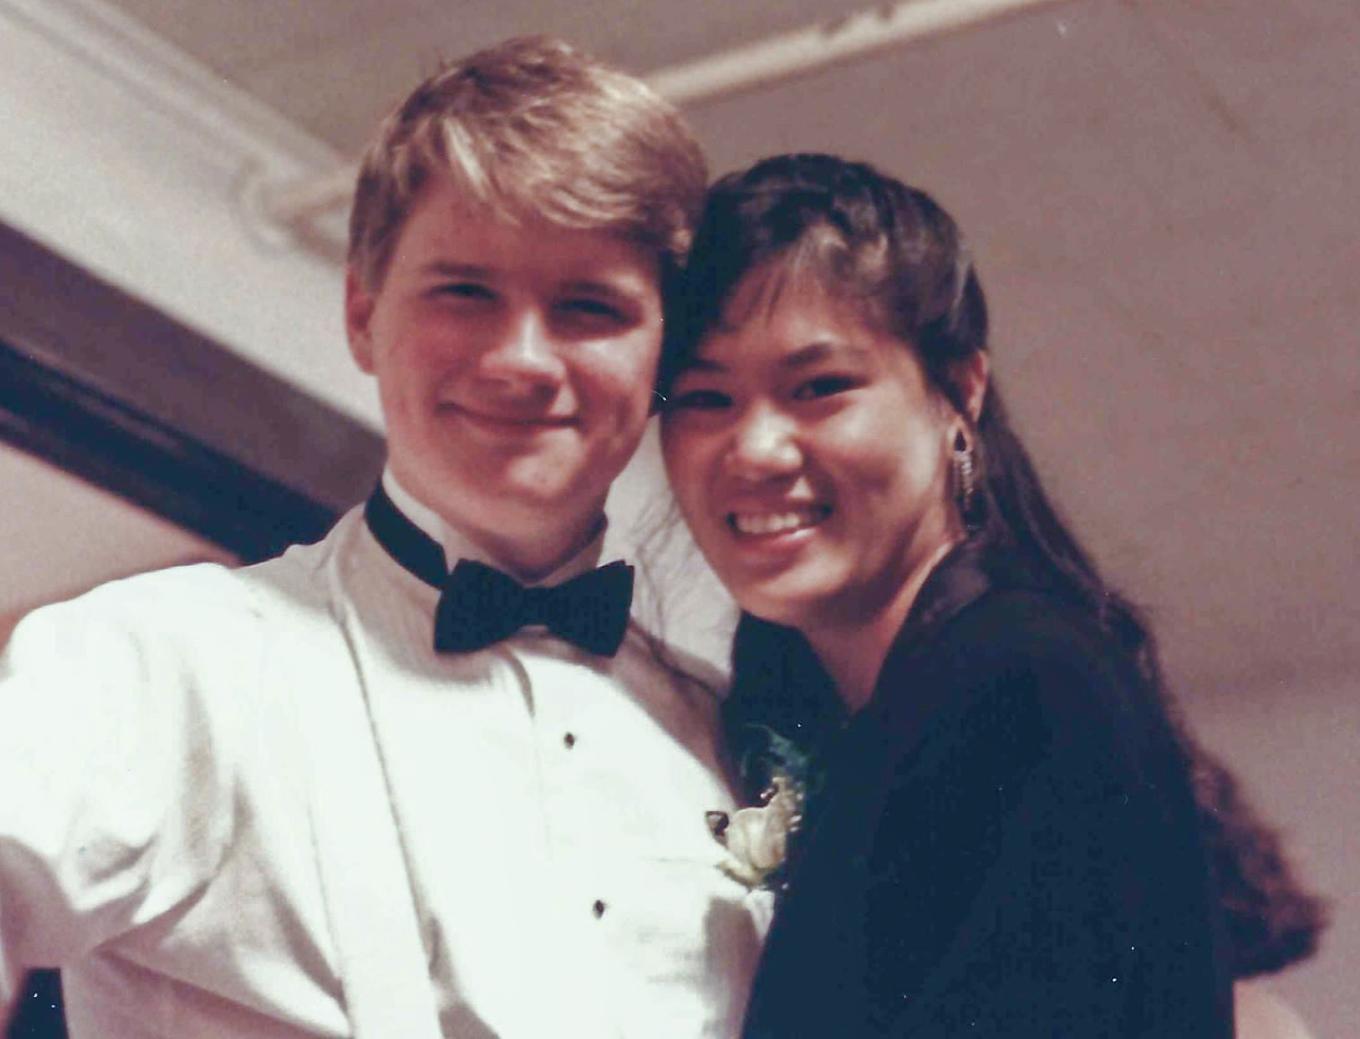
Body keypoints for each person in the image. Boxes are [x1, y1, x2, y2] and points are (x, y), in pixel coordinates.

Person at [0, 37, 766, 1039]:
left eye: (589, 307)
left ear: (661, 353)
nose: (523, 360)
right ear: (363, 312)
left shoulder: (719, 732)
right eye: (465, 291)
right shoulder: (162, 656)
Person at [659, 153, 1236, 1036]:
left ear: (958, 391)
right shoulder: (884, 710)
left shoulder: (1018, 684)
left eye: (819, 387)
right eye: (705, 396)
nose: (757, 449)